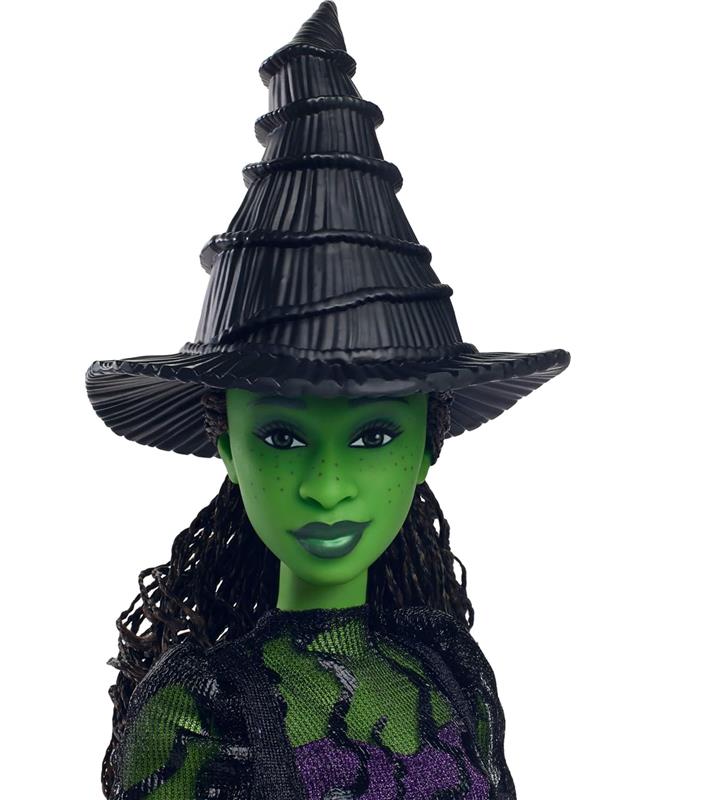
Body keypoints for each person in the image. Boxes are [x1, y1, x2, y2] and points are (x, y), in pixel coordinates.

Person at [85, 3, 569, 799]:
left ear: (429, 441)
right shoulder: (199, 712)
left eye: (375, 436)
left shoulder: (452, 674)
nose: (327, 486)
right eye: (282, 437)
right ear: (226, 442)